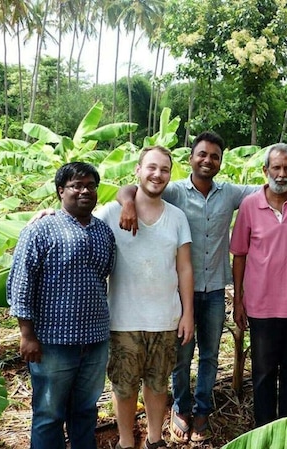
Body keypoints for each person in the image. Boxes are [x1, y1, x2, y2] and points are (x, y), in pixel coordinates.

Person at [116, 132, 287, 443]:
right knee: (182, 356)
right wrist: (126, 201)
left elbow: (275, 186)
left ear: (221, 162)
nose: (207, 160)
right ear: (191, 159)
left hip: (215, 290)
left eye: (214, 156)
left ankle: (203, 407)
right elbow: (133, 187)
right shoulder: (174, 192)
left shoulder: (232, 193)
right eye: (202, 155)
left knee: (209, 354)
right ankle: (181, 406)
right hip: (180, 291)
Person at [7, 162, 115, 449]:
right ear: (60, 191)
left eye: (91, 185)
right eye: (77, 185)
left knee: (85, 410)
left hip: (94, 340)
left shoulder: (104, 232)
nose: (85, 191)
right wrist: (27, 335)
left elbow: (103, 274)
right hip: (52, 342)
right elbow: (21, 282)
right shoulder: (41, 230)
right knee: (48, 414)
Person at [96, 146, 194, 449]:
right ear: (138, 170)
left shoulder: (177, 217)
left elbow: (185, 267)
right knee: (124, 386)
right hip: (123, 319)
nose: (158, 174)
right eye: (151, 167)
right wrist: (48, 215)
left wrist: (188, 313)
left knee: (157, 384)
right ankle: (126, 441)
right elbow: (81, 227)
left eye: (164, 169)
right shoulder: (112, 213)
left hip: (165, 318)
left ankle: (154, 438)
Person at [230, 143, 287, 426]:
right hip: (261, 305)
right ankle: (265, 427)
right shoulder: (250, 205)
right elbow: (239, 255)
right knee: (264, 371)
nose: (282, 174)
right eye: (276, 168)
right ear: (265, 170)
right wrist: (238, 299)